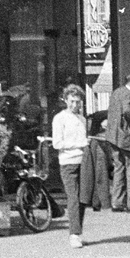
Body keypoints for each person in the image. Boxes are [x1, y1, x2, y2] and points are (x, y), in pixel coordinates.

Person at [52, 83, 90, 248]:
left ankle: (78, 232)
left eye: (78, 101)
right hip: (68, 163)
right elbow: (57, 143)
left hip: (83, 161)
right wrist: (79, 143)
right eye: (72, 101)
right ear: (65, 100)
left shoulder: (82, 118)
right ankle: (73, 235)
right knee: (73, 198)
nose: (75, 105)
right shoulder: (60, 118)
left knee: (82, 199)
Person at [105, 74, 130, 211]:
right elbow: (128, 111)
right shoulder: (128, 94)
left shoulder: (117, 92)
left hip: (112, 135)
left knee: (118, 167)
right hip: (126, 135)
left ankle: (117, 201)